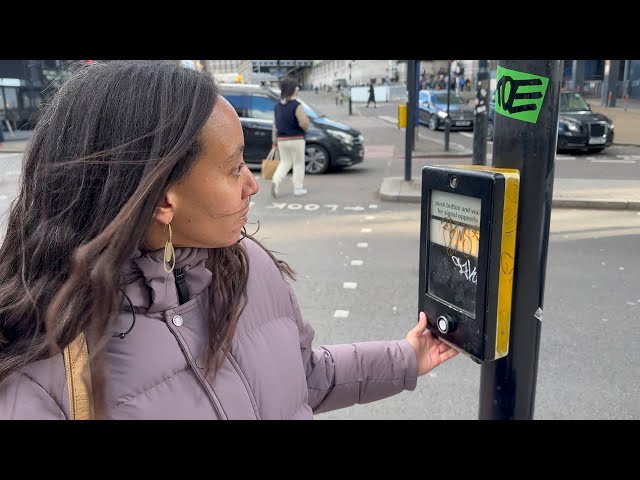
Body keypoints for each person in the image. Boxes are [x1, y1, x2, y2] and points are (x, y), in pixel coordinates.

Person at [0, 60, 458, 420]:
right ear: (162, 199)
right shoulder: (42, 375)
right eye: (235, 166)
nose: (252, 184)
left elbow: (306, 380)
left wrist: (406, 358)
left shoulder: (248, 266)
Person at [270, 76, 310, 198]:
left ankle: (275, 182)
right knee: (298, 163)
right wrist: (307, 125)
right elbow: (303, 122)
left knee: (285, 163)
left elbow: (275, 125)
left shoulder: (277, 106)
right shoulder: (297, 105)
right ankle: (298, 188)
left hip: (281, 140)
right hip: (296, 139)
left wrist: (274, 141)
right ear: (293, 89)